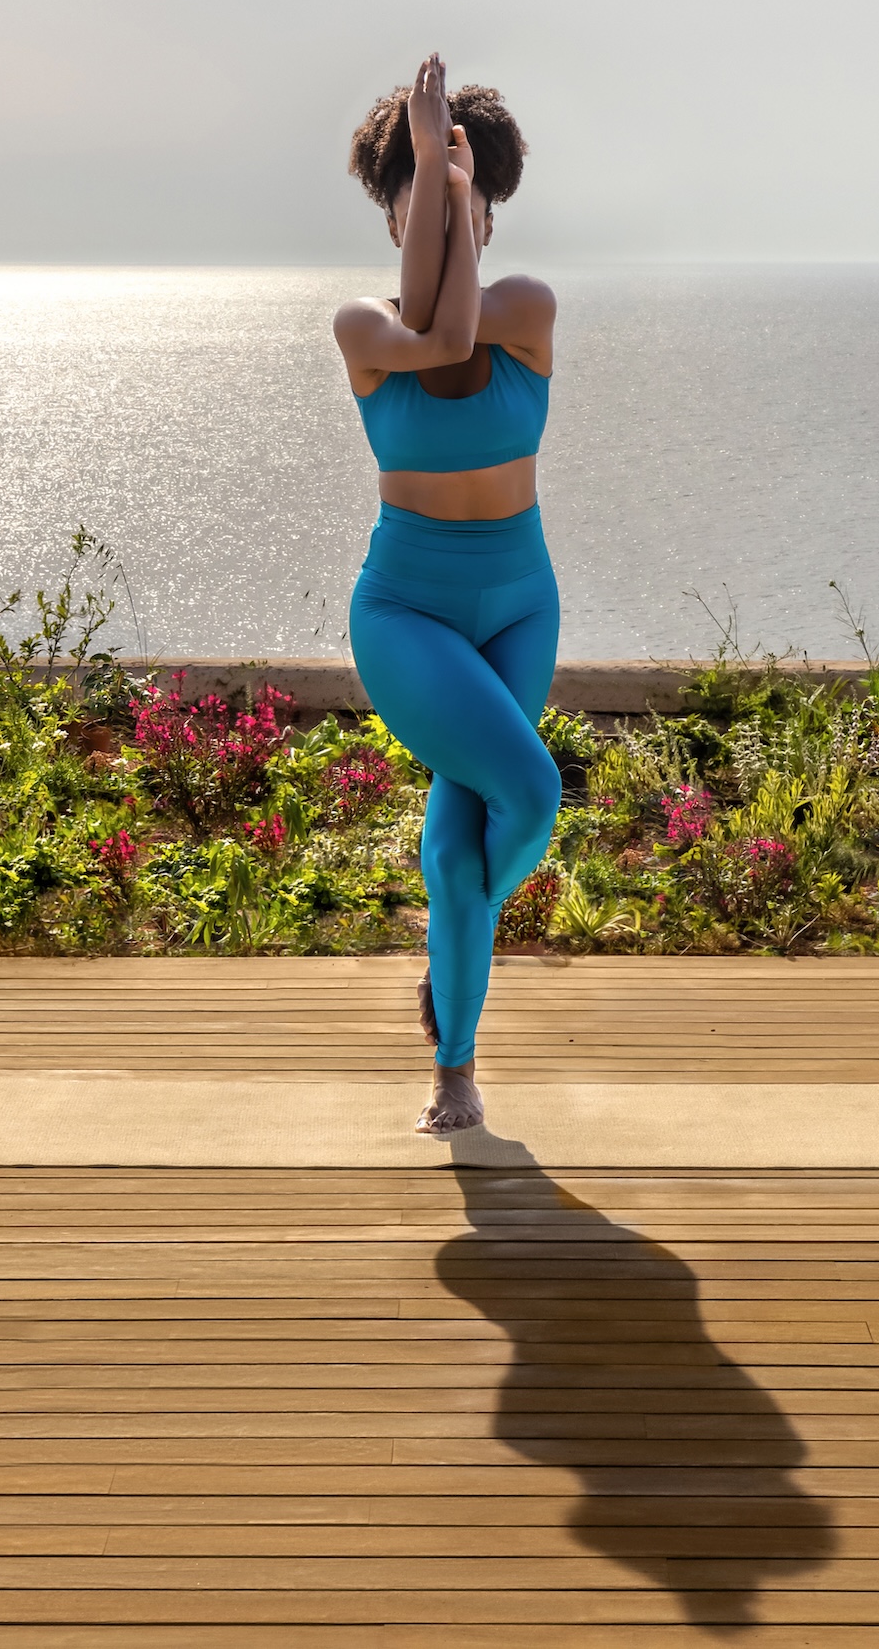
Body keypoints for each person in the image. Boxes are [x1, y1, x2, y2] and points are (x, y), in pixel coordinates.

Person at [334, 56, 560, 1136]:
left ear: (489, 204)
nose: (429, 210)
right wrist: (434, 169)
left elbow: (467, 324)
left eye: (463, 192)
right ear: (393, 210)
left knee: (464, 845)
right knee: (531, 794)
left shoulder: (527, 307)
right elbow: (439, 336)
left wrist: (449, 184)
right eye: (411, 196)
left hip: (520, 601)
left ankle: (452, 965)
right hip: (409, 612)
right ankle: (456, 1070)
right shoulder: (363, 331)